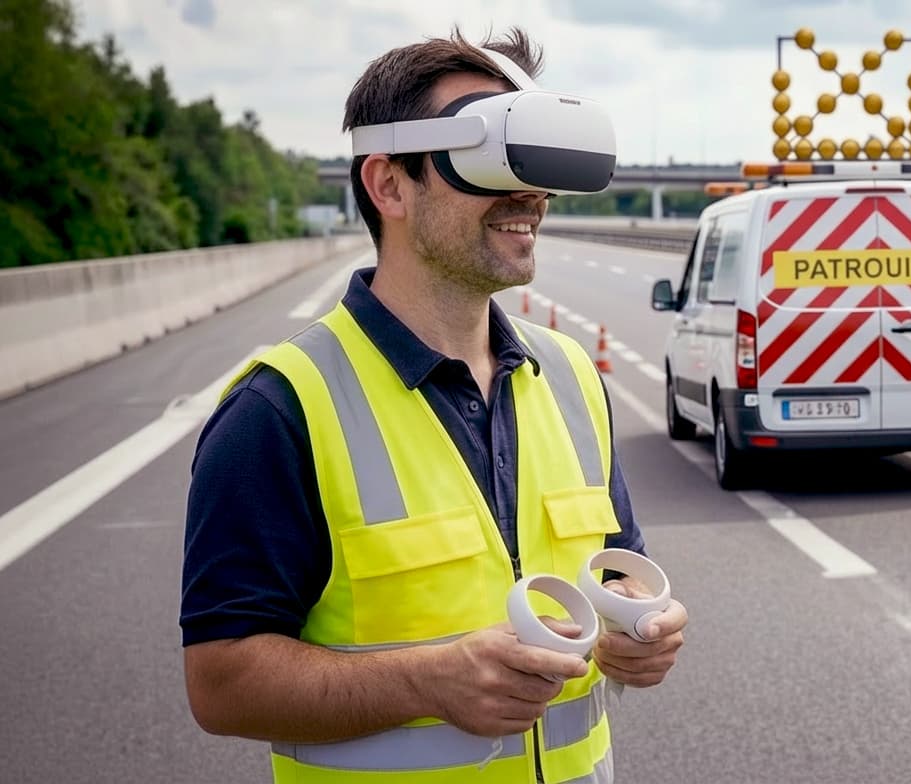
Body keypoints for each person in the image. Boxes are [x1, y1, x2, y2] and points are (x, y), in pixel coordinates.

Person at [180, 27, 686, 784]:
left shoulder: (572, 375)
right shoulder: (282, 409)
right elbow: (220, 684)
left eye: (536, 162)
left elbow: (619, 568)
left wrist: (635, 622)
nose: (530, 195)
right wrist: (426, 683)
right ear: (389, 185)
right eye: (491, 158)